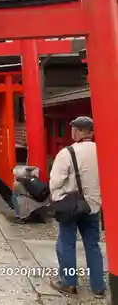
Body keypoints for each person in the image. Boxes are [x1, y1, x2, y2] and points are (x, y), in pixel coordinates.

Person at [49, 116, 105, 298]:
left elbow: (55, 182)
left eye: (73, 129)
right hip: (94, 205)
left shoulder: (67, 153)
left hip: (72, 207)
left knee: (67, 244)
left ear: (78, 131)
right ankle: (98, 286)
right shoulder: (102, 150)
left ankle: (69, 283)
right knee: (93, 245)